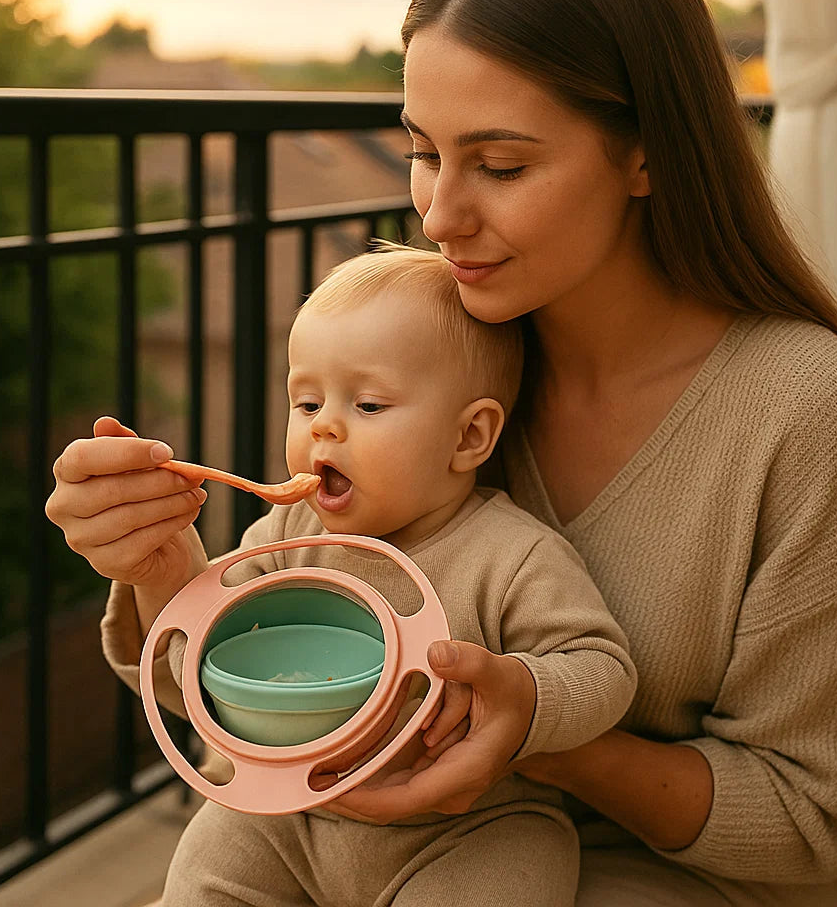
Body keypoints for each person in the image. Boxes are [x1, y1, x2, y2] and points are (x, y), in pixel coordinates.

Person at [45, 0, 837, 907]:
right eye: (422, 153)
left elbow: (804, 826)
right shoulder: (431, 361)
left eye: (499, 165)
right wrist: (158, 564)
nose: (439, 216)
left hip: (704, 877)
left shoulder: (800, 412)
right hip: (406, 850)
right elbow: (266, 672)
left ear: (647, 154)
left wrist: (538, 739)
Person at [86, 244, 638, 906]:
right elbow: (199, 664)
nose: (326, 431)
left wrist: (524, 688)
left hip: (466, 830)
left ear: (469, 438)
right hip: (286, 820)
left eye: (368, 406)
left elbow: (605, 669)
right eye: (307, 403)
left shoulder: (511, 555)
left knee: (528, 861)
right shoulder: (287, 536)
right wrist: (165, 573)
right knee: (209, 853)